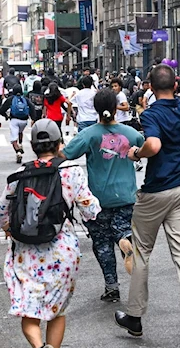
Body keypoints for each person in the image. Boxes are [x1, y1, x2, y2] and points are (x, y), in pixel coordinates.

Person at [114, 64, 180, 346]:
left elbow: (154, 145)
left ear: (150, 87)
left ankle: (135, 317)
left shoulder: (151, 114)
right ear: (176, 86)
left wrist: (137, 153)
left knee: (141, 254)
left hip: (156, 192)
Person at [1, 119, 101, 348]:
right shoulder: (72, 172)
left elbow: (2, 213)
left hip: (26, 252)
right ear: (59, 144)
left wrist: (8, 229)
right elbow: (90, 209)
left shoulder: (20, 174)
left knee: (29, 313)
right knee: (57, 312)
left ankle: (39, 346)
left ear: (33, 146)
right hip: (62, 251)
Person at [61, 88, 143, 303]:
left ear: (95, 108)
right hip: (126, 195)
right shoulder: (131, 133)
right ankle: (125, 240)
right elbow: (148, 148)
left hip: (98, 200)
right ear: (116, 108)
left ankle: (111, 287)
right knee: (122, 229)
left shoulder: (89, 134)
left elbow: (66, 155)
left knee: (102, 243)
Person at [0, 85, 35, 163]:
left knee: (13, 139)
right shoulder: (25, 99)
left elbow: (1, 110)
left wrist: (6, 116)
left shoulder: (11, 99)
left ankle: (18, 152)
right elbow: (32, 107)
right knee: (20, 131)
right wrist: (33, 118)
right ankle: (20, 143)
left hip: (14, 120)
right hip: (24, 121)